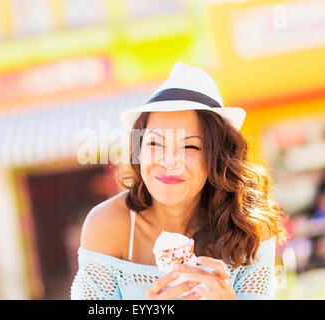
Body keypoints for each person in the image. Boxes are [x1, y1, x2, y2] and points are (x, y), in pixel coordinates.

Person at [70, 62, 287, 300]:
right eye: (155, 143)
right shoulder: (108, 225)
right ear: (139, 151)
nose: (169, 161)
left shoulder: (250, 229)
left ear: (218, 157)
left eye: (190, 146)